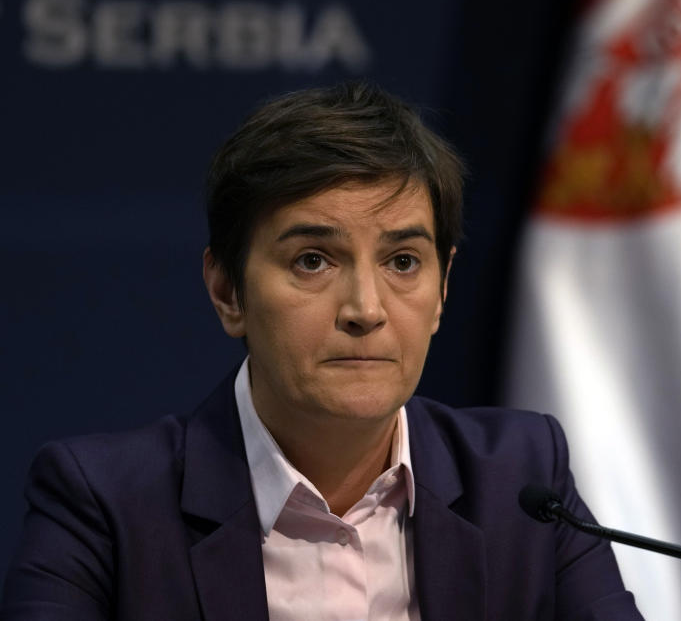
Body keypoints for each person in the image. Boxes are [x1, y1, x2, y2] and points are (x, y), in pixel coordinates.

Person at [0, 82, 643, 620]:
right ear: (228, 291)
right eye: (313, 260)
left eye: (402, 261)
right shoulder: (107, 508)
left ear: (443, 288)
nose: (365, 309)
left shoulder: (521, 482)